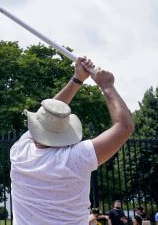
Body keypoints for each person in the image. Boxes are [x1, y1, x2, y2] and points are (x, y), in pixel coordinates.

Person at [10, 56, 134, 224]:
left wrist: (77, 78)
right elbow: (124, 127)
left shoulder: (19, 151)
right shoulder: (76, 158)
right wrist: (107, 86)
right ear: (65, 132)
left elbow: (49, 113)